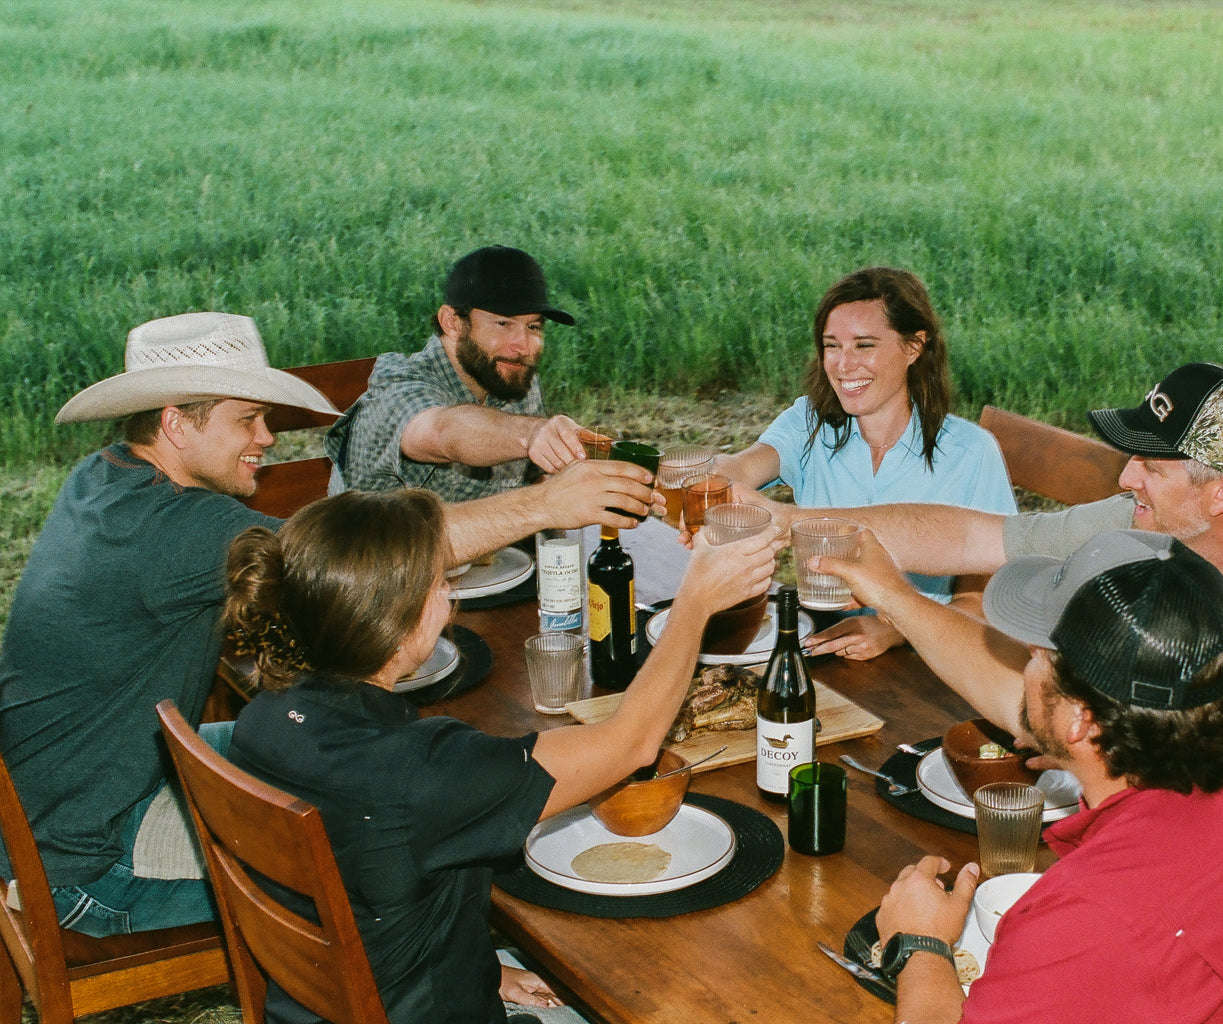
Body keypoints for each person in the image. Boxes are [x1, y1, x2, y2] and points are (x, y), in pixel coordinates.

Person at [0, 311, 656, 937]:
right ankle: (473, 965)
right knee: (397, 850)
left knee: (363, 777)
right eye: (250, 419)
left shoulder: (106, 480)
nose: (266, 438)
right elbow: (360, 564)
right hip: (93, 861)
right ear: (175, 424)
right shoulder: (176, 528)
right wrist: (545, 502)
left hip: (84, 795)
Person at [223, 488, 778, 1023]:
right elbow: (631, 744)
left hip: (350, 998)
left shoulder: (264, 719)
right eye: (440, 582)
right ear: (395, 624)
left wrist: (480, 971)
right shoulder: (423, 770)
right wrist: (695, 604)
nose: (451, 597)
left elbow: (370, 881)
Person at [872, 530, 1223, 1024]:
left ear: (1081, 719)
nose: (1023, 666)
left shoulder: (1095, 916)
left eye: (1035, 656)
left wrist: (920, 944)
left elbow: (1121, 927)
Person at [777, 362, 1223, 777]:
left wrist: (1099, 761)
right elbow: (971, 536)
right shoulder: (1143, 519)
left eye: (1151, 466)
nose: (1126, 479)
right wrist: (793, 521)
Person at [715, 267, 1015, 660]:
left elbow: (980, 603)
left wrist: (893, 630)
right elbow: (741, 467)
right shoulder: (809, 422)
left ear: (913, 347)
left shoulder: (972, 453)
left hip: (930, 661)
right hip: (826, 642)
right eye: (832, 345)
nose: (843, 365)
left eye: (864, 345)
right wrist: (714, 480)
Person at [325, 245, 600, 499]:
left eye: (533, 327)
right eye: (504, 324)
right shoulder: (397, 384)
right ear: (452, 322)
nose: (524, 347)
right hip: (378, 549)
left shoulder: (509, 376)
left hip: (485, 550)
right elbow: (440, 431)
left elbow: (536, 480)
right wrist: (531, 434)